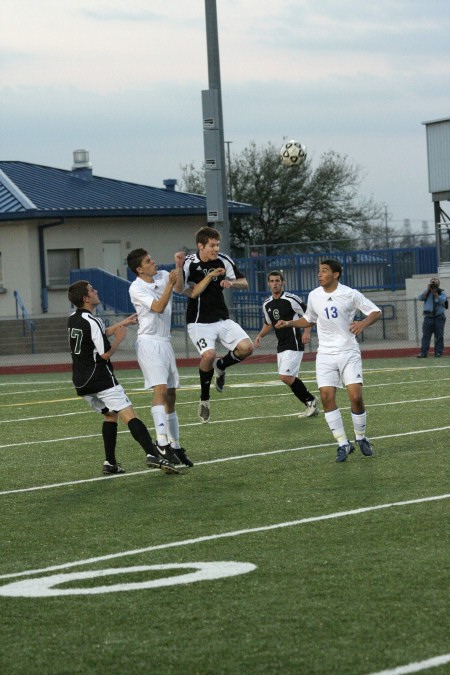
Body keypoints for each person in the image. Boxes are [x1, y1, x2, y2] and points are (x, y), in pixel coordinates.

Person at [67, 280, 179, 475]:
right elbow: (104, 354)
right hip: (100, 377)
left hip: (80, 380)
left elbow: (96, 335)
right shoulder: (93, 321)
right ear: (86, 298)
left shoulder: (74, 318)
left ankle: (110, 462)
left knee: (111, 415)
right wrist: (119, 339)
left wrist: (123, 323)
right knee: (130, 415)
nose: (96, 291)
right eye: (92, 290)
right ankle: (152, 454)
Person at [275, 259, 381, 463]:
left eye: (324, 271)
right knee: (326, 396)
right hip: (325, 354)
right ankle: (342, 442)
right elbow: (309, 319)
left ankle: (360, 437)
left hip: (348, 351)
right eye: (318, 271)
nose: (319, 274)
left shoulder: (349, 293)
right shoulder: (314, 295)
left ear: (336, 274)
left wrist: (362, 323)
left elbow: (375, 311)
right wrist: (288, 323)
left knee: (356, 396)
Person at [127, 248, 193, 467]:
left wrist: (178, 266)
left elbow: (180, 287)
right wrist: (169, 286)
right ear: (139, 269)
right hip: (148, 342)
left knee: (172, 394)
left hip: (164, 341)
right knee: (160, 390)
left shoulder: (165, 275)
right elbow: (157, 306)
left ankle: (174, 444)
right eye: (148, 261)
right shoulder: (136, 287)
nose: (153, 262)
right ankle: (162, 441)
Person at [181, 225, 254, 423]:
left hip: (222, 318)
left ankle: (222, 366)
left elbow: (244, 282)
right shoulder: (190, 263)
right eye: (212, 245)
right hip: (199, 322)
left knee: (247, 347)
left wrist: (231, 283)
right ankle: (204, 400)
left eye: (217, 245)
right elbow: (184, 290)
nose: (215, 249)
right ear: (200, 246)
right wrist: (208, 276)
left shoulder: (223, 260)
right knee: (208, 355)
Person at [254, 270, 319, 418]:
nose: (275, 284)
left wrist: (307, 332)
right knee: (288, 378)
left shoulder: (291, 299)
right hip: (281, 344)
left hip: (294, 342)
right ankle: (310, 402)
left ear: (282, 282)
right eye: (272, 281)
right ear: (268, 284)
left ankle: (311, 400)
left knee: (285, 376)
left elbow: (310, 315)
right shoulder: (266, 304)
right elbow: (268, 323)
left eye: (277, 281)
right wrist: (260, 336)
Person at [416, 277, 447, 358]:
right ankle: (423, 353)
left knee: (439, 336)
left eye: (435, 283)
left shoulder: (441, 292)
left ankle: (438, 353)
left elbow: (443, 301)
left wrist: (436, 295)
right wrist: (428, 290)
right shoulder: (427, 292)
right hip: (428, 317)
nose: (434, 285)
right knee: (426, 336)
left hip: (439, 317)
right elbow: (420, 298)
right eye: (432, 283)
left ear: (438, 284)